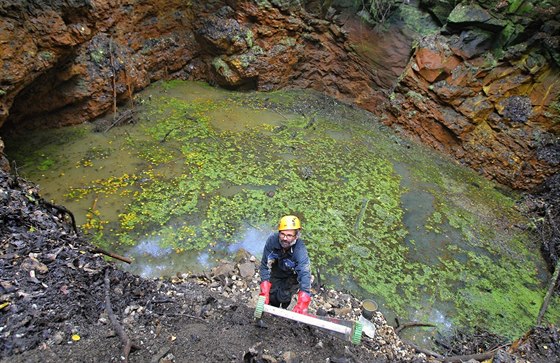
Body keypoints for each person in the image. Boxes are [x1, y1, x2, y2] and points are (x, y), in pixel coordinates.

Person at [258, 215, 312, 314]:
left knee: (283, 297)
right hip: (277, 269)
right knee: (272, 296)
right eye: (282, 234)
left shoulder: (299, 250)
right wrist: (264, 287)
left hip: (291, 275)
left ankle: (284, 309)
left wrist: (303, 299)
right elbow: (264, 265)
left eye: (289, 235)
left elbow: (305, 273)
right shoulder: (272, 241)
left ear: (296, 236)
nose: (285, 239)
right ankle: (272, 312)